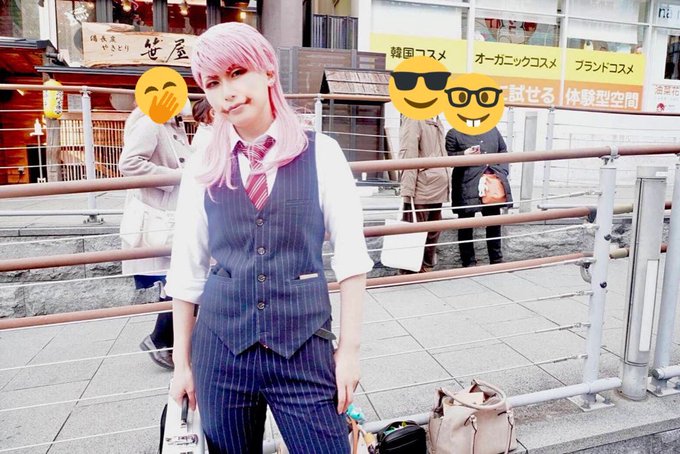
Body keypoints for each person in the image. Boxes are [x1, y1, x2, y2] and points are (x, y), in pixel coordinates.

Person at [164, 22, 373, 453]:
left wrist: (349, 352)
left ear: (268, 72)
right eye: (213, 83)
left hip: (304, 346)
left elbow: (352, 259)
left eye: (238, 73)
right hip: (221, 351)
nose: (227, 92)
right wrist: (181, 364)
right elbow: (187, 269)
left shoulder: (322, 153)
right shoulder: (203, 163)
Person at [118, 103, 193, 370]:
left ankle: (169, 343)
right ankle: (161, 341)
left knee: (182, 279)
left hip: (174, 214)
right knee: (180, 280)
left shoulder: (171, 124)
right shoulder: (151, 122)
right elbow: (129, 163)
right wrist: (176, 177)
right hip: (161, 216)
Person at [445, 126, 513, 267]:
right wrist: (464, 154)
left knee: (494, 221)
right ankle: (468, 262)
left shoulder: (492, 129)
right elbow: (448, 157)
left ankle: (496, 259)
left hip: (491, 182)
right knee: (465, 223)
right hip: (466, 182)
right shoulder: (454, 133)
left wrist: (501, 171)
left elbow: (503, 150)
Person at [398, 115, 450, 273]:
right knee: (415, 230)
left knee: (433, 229)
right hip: (421, 185)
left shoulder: (437, 119)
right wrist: (407, 189)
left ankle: (425, 267)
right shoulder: (414, 117)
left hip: (437, 184)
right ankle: (410, 269)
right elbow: (409, 154)